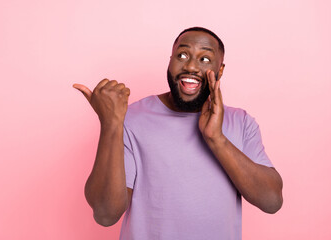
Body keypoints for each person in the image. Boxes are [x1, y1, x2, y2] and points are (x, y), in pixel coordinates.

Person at [73, 27, 283, 240]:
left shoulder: (242, 122)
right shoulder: (131, 119)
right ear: (170, 61)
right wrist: (111, 124)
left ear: (220, 70)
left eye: (205, 59)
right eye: (182, 55)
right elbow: (106, 214)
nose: (191, 66)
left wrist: (216, 139)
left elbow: (272, 201)